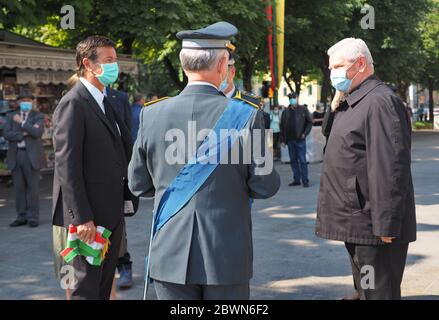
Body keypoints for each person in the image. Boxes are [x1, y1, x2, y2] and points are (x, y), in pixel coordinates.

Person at [128, 21, 280, 300]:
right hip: (226, 256)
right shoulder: (247, 114)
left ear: (183, 65)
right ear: (223, 64)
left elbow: (138, 184)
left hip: (169, 255)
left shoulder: (152, 114)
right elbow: (265, 185)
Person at [315, 38, 416, 300]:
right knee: (365, 292)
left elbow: (390, 167)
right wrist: (336, 102)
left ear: (360, 64)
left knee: (379, 293)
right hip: (358, 223)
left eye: (337, 66)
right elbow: (331, 134)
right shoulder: (355, 99)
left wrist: (387, 224)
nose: (332, 73)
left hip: (374, 227)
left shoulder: (380, 102)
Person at [52, 35, 136, 299]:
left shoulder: (106, 100)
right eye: (109, 61)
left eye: (115, 60)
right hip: (88, 220)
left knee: (102, 284)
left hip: (109, 214)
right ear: (88, 64)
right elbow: (68, 165)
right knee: (85, 288)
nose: (115, 66)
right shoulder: (74, 103)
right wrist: (81, 218)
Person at [4, 90, 44, 228]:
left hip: (31, 156)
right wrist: (23, 134)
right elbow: (7, 134)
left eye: (28, 100)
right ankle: (21, 216)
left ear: (32, 102)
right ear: (18, 102)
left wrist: (22, 123)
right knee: (19, 189)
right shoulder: (10, 116)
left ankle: (33, 217)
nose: (25, 102)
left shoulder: (38, 116)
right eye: (23, 100)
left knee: (33, 189)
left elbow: (37, 132)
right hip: (16, 155)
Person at [280, 92, 312, 187]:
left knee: (302, 160)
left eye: (294, 97)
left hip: (300, 139)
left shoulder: (303, 109)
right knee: (293, 160)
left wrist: (304, 133)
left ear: (297, 98)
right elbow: (282, 126)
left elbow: (310, 122)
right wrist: (282, 139)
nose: (292, 99)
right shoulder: (286, 111)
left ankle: (305, 180)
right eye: (291, 98)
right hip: (290, 140)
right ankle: (296, 179)